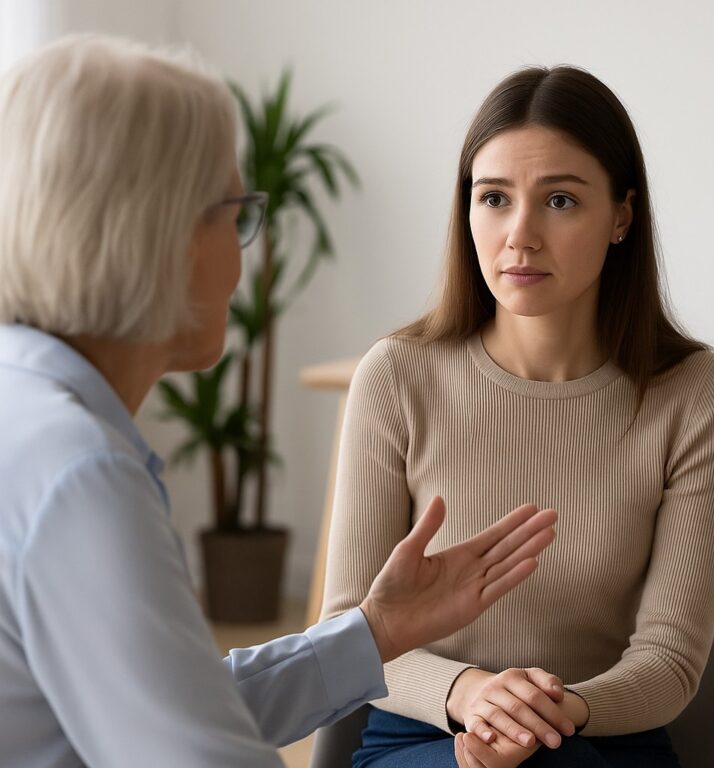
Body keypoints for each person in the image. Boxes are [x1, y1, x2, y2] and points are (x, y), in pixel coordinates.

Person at [0, 36, 560, 768]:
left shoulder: (27, 415)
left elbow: (179, 702)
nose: (243, 262)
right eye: (234, 215)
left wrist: (377, 628)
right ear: (159, 233)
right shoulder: (81, 475)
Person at [320, 65, 714, 767]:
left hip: (604, 736)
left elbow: (670, 660)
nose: (520, 235)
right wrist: (471, 696)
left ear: (622, 216)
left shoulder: (694, 395)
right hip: (427, 733)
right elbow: (346, 630)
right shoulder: (395, 377)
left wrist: (543, 717)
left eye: (560, 200)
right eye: (494, 198)